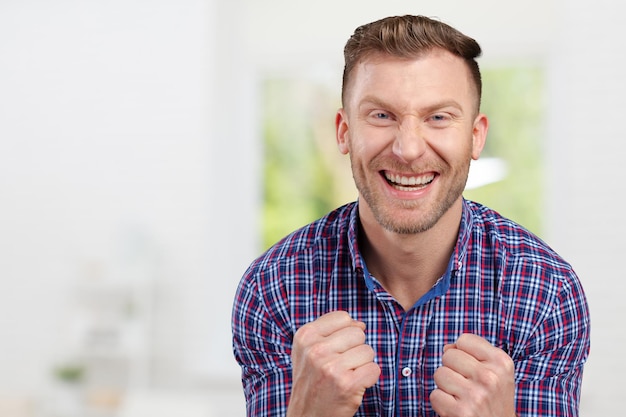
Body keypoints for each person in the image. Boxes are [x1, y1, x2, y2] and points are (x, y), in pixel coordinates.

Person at [231, 14, 590, 417]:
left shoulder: (545, 291)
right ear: (344, 131)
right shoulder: (272, 288)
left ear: (475, 136)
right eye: (382, 115)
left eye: (438, 117)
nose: (409, 149)